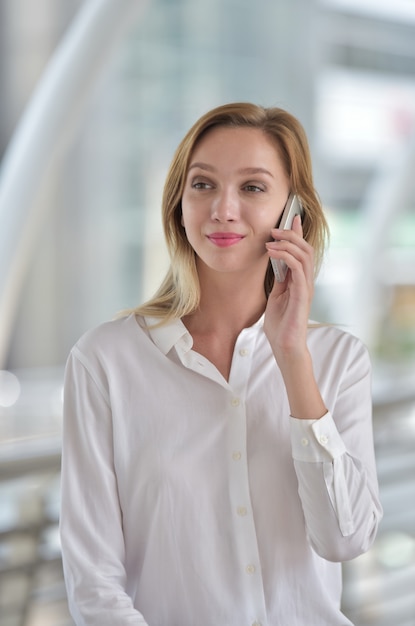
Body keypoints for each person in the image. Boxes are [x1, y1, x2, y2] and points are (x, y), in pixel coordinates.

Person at [60, 102, 383, 626]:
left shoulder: (339, 360)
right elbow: (94, 583)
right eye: (203, 185)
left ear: (292, 212)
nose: (223, 209)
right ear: (178, 204)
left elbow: (344, 539)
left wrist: (293, 355)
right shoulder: (105, 362)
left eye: (253, 187)